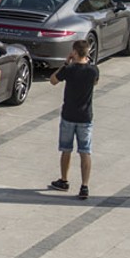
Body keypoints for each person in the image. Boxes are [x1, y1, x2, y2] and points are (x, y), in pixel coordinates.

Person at [48, 38, 97, 200]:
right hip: (86, 117)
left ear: (74, 52)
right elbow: (95, 82)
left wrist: (66, 63)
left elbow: (53, 80)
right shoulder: (93, 70)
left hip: (69, 115)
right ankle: (85, 186)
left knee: (66, 149)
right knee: (85, 152)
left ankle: (64, 180)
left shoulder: (69, 70)